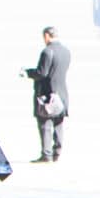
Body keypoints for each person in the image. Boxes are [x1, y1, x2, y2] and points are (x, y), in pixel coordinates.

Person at [26, 26, 71, 163]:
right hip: (62, 93)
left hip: (48, 94)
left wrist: (28, 72)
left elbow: (42, 73)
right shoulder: (66, 51)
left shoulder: (47, 52)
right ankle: (57, 151)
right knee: (59, 122)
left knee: (45, 124)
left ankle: (47, 154)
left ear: (46, 36)